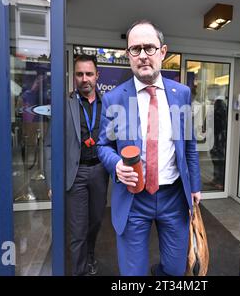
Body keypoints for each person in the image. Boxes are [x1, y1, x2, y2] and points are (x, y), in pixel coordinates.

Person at [97, 20, 202, 276]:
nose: (143, 55)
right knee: (133, 274)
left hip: (174, 197)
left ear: (163, 52)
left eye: (149, 48)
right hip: (134, 198)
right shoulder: (114, 98)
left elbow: (189, 145)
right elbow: (104, 145)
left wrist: (196, 186)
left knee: (176, 270)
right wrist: (117, 165)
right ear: (128, 55)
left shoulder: (182, 93)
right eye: (135, 49)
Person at [45, 55, 109, 276]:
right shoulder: (65, 105)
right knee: (77, 230)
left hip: (101, 171)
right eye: (80, 74)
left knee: (96, 222)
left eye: (89, 74)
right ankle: (79, 271)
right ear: (74, 77)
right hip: (76, 173)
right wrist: (52, 179)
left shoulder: (107, 104)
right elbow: (49, 145)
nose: (84, 79)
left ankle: (89, 256)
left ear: (97, 76)